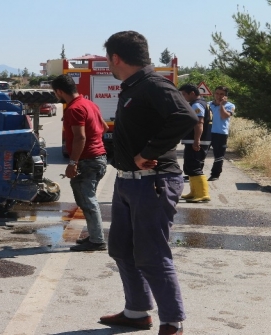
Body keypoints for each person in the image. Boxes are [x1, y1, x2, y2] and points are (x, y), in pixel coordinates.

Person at [100, 31, 197, 335]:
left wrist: (148, 152)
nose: (108, 65)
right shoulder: (132, 88)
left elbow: (186, 117)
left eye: (108, 60)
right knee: (121, 248)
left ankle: (172, 323)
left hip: (153, 182)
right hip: (128, 182)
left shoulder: (153, 84)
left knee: (152, 253)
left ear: (116, 58)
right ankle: (137, 312)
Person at [51, 74, 108, 252]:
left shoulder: (74, 109)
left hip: (88, 161)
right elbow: (104, 127)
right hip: (99, 158)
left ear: (60, 91)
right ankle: (93, 236)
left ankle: (97, 240)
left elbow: (80, 137)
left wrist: (73, 162)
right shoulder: (90, 104)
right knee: (87, 199)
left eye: (55, 93)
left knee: (87, 201)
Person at [179, 84, 212, 203]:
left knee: (195, 166)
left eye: (184, 94)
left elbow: (199, 123)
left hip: (198, 141)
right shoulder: (201, 103)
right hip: (194, 140)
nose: (183, 97)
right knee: (190, 167)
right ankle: (194, 192)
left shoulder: (197, 104)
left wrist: (196, 140)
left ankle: (202, 193)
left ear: (192, 93)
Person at [208, 86, 236, 181]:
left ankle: (215, 174)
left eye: (222, 94)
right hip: (207, 133)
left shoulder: (230, 106)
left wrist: (222, 105)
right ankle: (195, 173)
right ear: (214, 94)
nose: (219, 96)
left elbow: (224, 116)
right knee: (200, 154)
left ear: (225, 96)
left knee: (219, 156)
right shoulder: (208, 105)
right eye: (217, 93)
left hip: (220, 133)